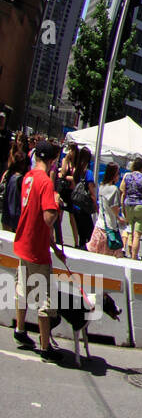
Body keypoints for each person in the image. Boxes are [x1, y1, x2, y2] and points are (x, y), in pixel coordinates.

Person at [12, 140, 66, 359]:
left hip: (24, 241)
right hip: (36, 249)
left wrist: (55, 247)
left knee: (21, 289)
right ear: (53, 161)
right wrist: (56, 203)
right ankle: (45, 347)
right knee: (46, 300)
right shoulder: (45, 183)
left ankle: (20, 329)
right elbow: (47, 218)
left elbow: (33, 214)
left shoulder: (29, 177)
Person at [120, 157, 142, 260]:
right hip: (140, 206)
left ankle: (129, 251)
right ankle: (134, 256)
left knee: (131, 230)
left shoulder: (127, 176)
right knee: (137, 235)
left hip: (128, 204)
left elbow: (123, 190)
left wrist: (123, 207)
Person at [95, 162, 125, 256]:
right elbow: (115, 209)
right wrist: (120, 218)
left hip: (99, 226)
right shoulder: (114, 189)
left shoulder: (102, 186)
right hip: (110, 230)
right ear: (114, 175)